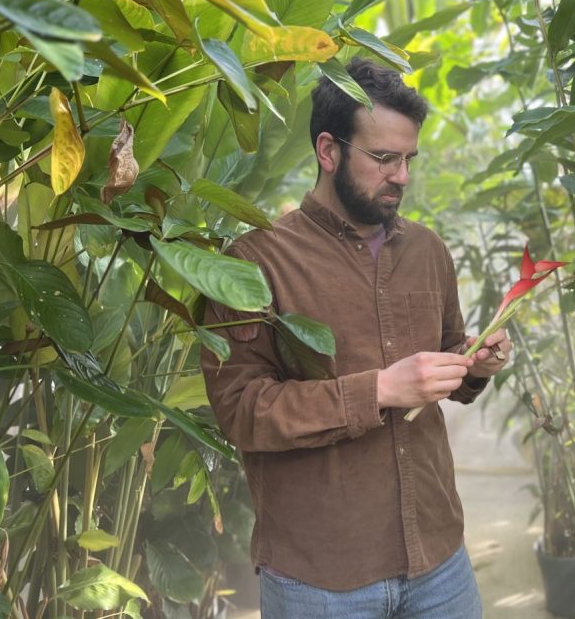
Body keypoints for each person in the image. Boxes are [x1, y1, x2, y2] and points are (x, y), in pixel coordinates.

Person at [200, 57, 512, 619]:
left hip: (439, 559)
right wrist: (380, 390)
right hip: (320, 578)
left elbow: (447, 355)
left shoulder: (427, 252)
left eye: (409, 159)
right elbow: (242, 409)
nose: (402, 176)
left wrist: (475, 366)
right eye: (385, 158)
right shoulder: (254, 261)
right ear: (328, 151)